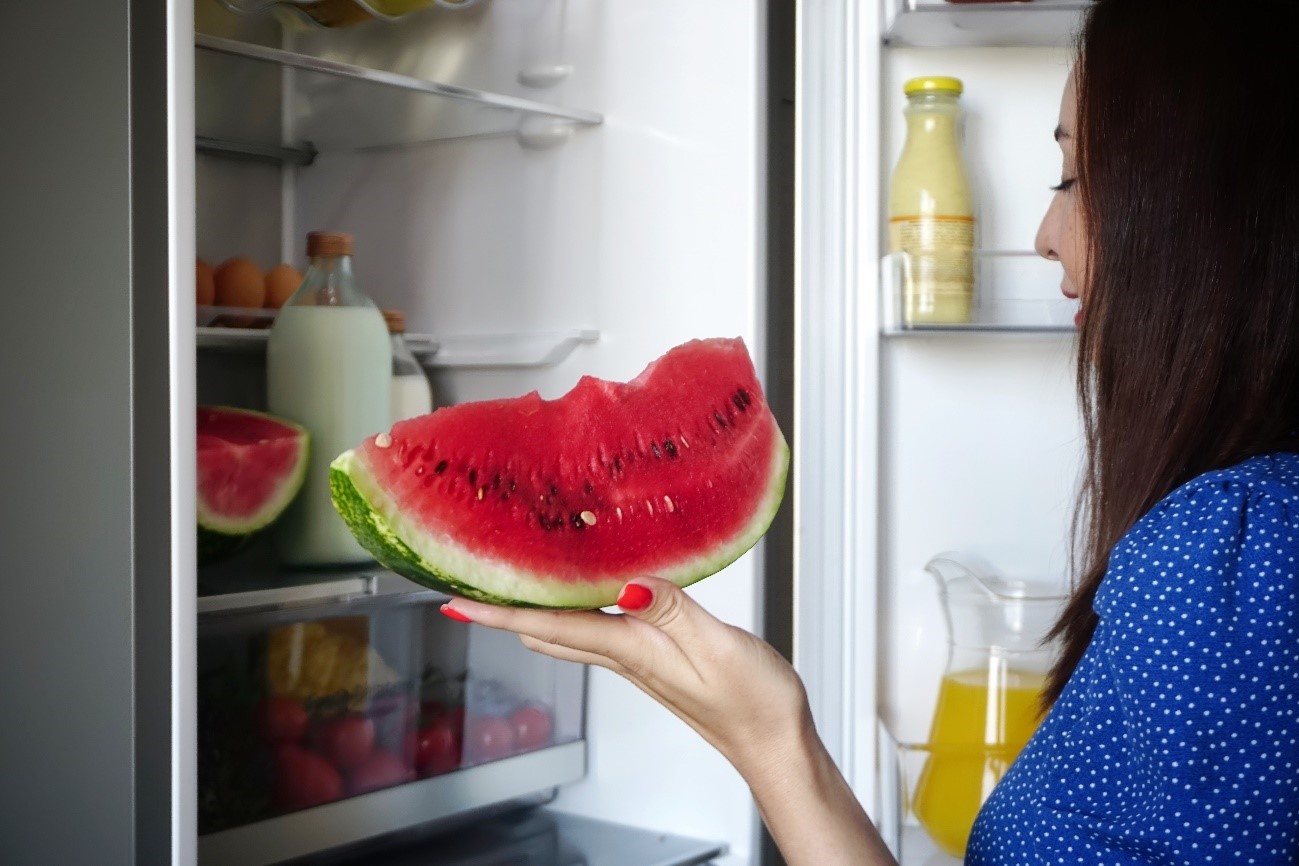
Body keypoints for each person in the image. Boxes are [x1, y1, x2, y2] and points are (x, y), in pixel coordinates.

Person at [441, 0, 1299, 862]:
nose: (1044, 237)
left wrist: (765, 738)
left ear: (1204, 201)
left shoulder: (1226, 551)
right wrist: (772, 736)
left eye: (1071, 179)